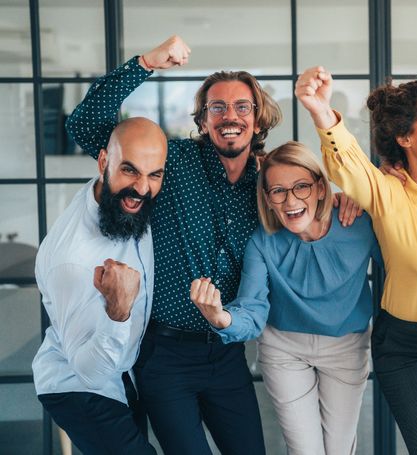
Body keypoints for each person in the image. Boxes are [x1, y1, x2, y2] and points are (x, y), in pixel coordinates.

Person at [65, 35, 360, 454]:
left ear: (258, 120)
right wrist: (146, 63)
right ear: (203, 120)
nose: (229, 116)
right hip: (163, 354)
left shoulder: (268, 181)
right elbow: (85, 125)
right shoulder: (172, 161)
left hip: (227, 355)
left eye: (242, 107)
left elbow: (308, 193)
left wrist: (341, 197)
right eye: (216, 108)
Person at [295, 68, 417, 454]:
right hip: (404, 346)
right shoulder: (387, 192)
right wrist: (321, 110)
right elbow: (348, 166)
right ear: (405, 137)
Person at [188, 141, 381, 455]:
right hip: (284, 349)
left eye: (301, 187)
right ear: (268, 198)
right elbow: (252, 307)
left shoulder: (359, 224)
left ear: (321, 188)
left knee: (339, 450)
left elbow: (401, 265)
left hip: (346, 348)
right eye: (278, 191)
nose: (291, 200)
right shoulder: (262, 241)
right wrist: (221, 318)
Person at [33, 118, 168, 455]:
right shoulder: (72, 261)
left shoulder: (114, 198)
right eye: (130, 171)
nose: (141, 188)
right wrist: (118, 311)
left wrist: (148, 64)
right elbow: (90, 372)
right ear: (104, 162)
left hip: (122, 375)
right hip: (79, 386)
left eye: (155, 175)